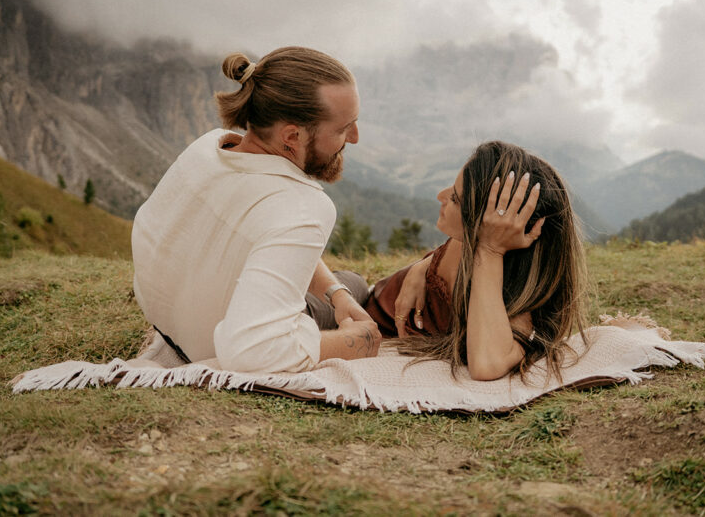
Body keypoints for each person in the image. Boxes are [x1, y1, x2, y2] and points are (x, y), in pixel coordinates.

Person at [132, 46, 381, 373]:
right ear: (292, 136)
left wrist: (336, 293)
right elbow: (252, 352)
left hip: (171, 321)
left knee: (345, 285)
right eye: (343, 128)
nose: (355, 137)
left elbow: (268, 233)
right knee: (358, 284)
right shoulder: (304, 206)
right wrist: (356, 343)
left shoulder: (207, 148)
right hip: (209, 344)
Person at [364, 141, 588, 381]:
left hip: (357, 323)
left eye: (456, 200)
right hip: (355, 303)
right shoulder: (468, 241)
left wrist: (490, 250)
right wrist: (422, 267)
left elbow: (486, 365)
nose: (440, 196)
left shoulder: (520, 298)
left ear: (492, 227)